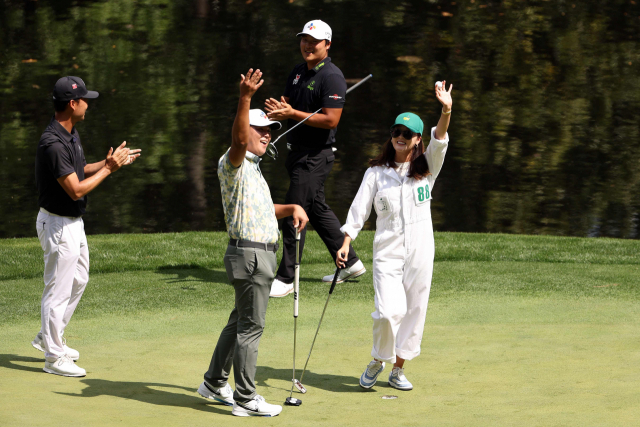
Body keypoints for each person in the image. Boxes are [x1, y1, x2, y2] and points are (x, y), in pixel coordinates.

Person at [196, 68, 308, 417]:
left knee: (239, 321)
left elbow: (262, 210)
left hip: (256, 255)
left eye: (271, 131)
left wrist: (290, 207)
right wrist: (245, 98)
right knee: (251, 327)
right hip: (250, 256)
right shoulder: (234, 162)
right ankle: (245, 397)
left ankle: (214, 382)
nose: (267, 135)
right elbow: (238, 140)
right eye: (261, 129)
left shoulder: (255, 171)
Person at [335, 82, 453, 391]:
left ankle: (398, 368)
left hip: (421, 248)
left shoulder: (427, 168)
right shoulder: (376, 172)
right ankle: (378, 358)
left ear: (416, 140)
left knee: (414, 309)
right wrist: (346, 242)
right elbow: (359, 209)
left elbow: (439, 140)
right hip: (387, 249)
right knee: (388, 311)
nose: (400, 138)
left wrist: (446, 110)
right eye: (395, 132)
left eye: (407, 134)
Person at [32, 76, 141, 377]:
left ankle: (47, 337)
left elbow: (77, 172)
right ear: (72, 103)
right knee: (57, 290)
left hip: (72, 223)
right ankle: (53, 358)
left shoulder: (70, 134)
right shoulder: (52, 143)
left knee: (79, 278)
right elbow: (76, 189)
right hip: (58, 224)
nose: (88, 104)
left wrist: (108, 162)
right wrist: (109, 168)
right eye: (85, 100)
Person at [264, 19, 365, 298]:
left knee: (293, 213)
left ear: (327, 45)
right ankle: (351, 263)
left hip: (315, 157)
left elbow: (331, 120)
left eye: (314, 41)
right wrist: (277, 114)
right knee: (316, 210)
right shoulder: (298, 72)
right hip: (297, 153)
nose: (307, 45)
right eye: (304, 39)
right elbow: (289, 106)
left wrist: (292, 114)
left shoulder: (331, 76)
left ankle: (286, 277)